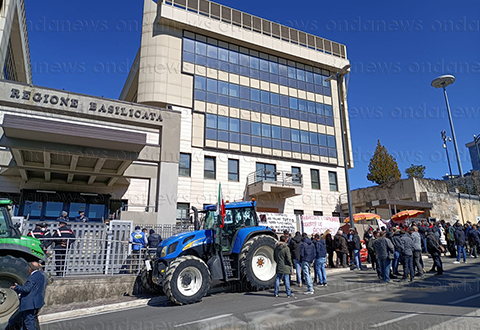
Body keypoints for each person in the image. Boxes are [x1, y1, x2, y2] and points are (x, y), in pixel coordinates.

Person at [9, 262, 47, 330]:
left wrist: (16, 287)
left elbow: (26, 289)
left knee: (29, 322)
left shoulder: (32, 277)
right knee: (30, 321)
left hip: (29, 304)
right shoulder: (42, 276)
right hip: (37, 303)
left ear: (30, 269)